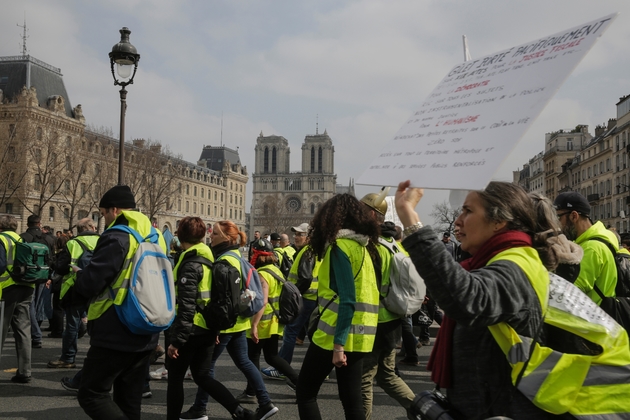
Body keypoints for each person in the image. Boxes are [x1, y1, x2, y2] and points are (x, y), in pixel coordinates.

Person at [395, 180, 566, 419]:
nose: (458, 220)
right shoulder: (503, 260)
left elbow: (466, 298)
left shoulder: (517, 265)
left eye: (468, 211)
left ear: (499, 221)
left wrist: (411, 221)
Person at [73, 185, 167, 420]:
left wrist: (79, 275)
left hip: (115, 326)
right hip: (147, 324)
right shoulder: (155, 237)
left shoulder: (117, 236)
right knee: (129, 400)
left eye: (104, 213)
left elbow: (92, 282)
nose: (103, 218)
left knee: (91, 393)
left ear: (114, 210)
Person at [181, 220, 278, 420]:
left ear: (226, 237)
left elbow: (222, 299)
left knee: (206, 370)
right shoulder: (236, 256)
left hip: (227, 323)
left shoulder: (225, 260)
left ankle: (200, 408)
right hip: (239, 321)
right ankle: (266, 402)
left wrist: (215, 328)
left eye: (215, 233)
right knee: (244, 362)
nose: (211, 235)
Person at [296, 194, 380, 420]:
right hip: (361, 334)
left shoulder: (339, 247)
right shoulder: (362, 247)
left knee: (305, 393)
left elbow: (347, 299)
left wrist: (338, 345)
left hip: (334, 334)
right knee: (351, 401)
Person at [166, 216, 255, 420]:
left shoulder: (190, 263)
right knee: (203, 376)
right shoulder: (210, 258)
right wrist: (215, 330)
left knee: (175, 379)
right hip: (207, 327)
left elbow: (187, 305)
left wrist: (176, 341)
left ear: (179, 235)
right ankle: (239, 411)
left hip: (190, 329)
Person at [358, 191, 415, 420]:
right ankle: (421, 410)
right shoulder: (395, 245)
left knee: (364, 379)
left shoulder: (372, 246)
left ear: (372, 214)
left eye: (361, 211)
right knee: (387, 375)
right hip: (393, 321)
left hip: (375, 322)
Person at [262, 222, 319, 380]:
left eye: (300, 234)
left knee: (290, 332)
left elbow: (306, 277)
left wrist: (295, 294)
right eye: (296, 234)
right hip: (313, 298)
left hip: (305, 298)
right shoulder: (313, 250)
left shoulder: (307, 252)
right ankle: (321, 369)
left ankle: (282, 367)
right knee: (313, 334)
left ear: (309, 237)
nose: (296, 237)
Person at [243, 238, 299, 396]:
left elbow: (263, 300)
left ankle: (251, 391)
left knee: (253, 356)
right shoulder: (276, 270)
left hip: (262, 323)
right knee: (272, 356)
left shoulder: (262, 274)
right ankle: (298, 382)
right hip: (274, 321)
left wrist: (254, 325)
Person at [47, 218, 99, 369]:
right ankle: (98, 359)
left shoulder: (73, 243)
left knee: (71, 325)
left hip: (75, 287)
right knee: (99, 324)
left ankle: (68, 358)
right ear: (92, 227)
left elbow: (61, 268)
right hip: (97, 287)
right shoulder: (104, 241)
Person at [554, 191, 618, 304]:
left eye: (558, 217)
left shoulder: (590, 248)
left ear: (574, 216)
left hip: (591, 318)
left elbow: (567, 294)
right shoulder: (601, 239)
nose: (556, 224)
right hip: (601, 315)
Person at [0, 215, 34, 383]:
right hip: (26, 287)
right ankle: (25, 371)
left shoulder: (1, 239)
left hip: (7, 289)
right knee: (23, 330)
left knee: (1, 329)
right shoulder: (22, 239)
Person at [21, 214, 55, 349]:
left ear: (28, 224)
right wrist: (49, 277)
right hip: (43, 275)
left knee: (29, 305)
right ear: (39, 223)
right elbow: (51, 259)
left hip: (28, 276)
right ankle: (35, 331)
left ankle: (35, 334)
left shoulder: (23, 237)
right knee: (38, 304)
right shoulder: (48, 238)